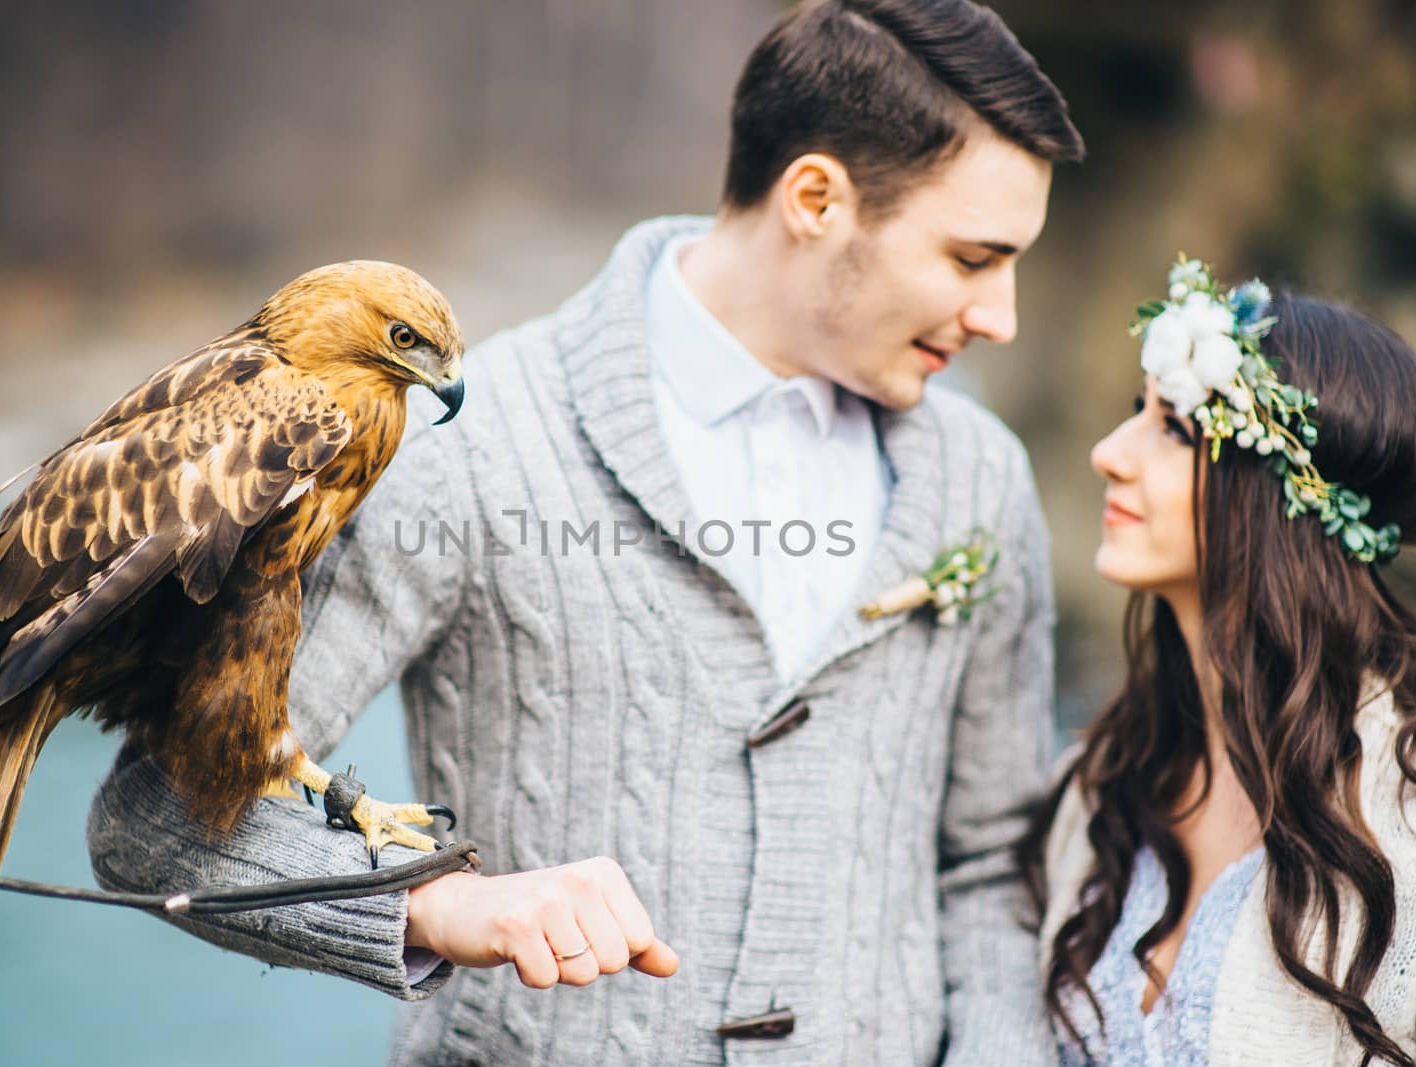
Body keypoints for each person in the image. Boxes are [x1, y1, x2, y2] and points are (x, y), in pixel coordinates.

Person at [88, 1, 1084, 1063]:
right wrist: (430, 902)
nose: (1001, 316)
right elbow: (156, 821)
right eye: (974, 258)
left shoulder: (979, 475)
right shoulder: (462, 450)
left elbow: (989, 870)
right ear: (814, 198)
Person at [1020, 258, 1416, 1065]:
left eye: (1174, 428)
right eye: (1137, 412)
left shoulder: (1406, 806)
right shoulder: (1107, 780)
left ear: (1285, 494)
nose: (1107, 452)